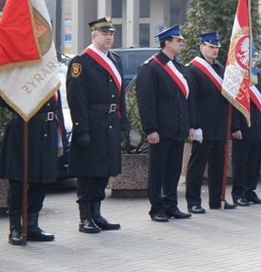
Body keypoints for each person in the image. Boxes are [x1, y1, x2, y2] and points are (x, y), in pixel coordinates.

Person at [66, 16, 124, 233]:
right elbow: (76, 99)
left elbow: (121, 98)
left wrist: (123, 125)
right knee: (88, 172)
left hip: (110, 122)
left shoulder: (115, 60)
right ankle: (85, 218)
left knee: (104, 172)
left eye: (111, 34)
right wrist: (82, 129)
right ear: (94, 36)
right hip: (92, 123)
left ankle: (97, 214)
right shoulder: (81, 62)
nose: (109, 37)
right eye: (104, 34)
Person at [136, 25, 196, 222]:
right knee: (157, 170)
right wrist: (150, 129)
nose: (181, 44)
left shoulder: (179, 68)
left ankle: (171, 205)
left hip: (178, 128)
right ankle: (157, 207)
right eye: (178, 41)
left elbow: (188, 100)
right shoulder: (151, 67)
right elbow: (146, 102)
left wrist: (190, 125)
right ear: (167, 43)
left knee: (174, 169)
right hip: (161, 129)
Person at [184, 32, 236, 213]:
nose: (215, 50)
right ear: (201, 47)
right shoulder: (194, 69)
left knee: (219, 164)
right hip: (203, 126)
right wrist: (194, 125)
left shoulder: (221, 68)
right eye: (211, 47)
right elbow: (192, 100)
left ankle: (217, 199)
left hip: (219, 125)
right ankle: (193, 201)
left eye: (217, 47)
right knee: (198, 165)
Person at [0, 96, 60, 245]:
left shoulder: (47, 72)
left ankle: (31, 225)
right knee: (18, 181)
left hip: (47, 127)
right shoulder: (16, 71)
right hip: (23, 127)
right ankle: (15, 227)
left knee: (44, 178)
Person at [232, 46, 261, 205]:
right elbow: (234, 104)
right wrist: (235, 127)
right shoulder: (239, 77)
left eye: (255, 56)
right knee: (240, 162)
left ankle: (250, 191)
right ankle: (238, 193)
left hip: (259, 126)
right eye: (251, 56)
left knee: (255, 162)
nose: (254, 59)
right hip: (244, 127)